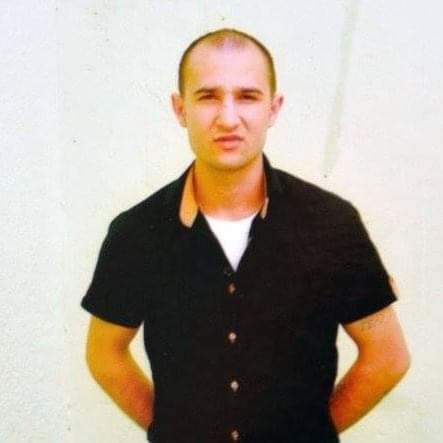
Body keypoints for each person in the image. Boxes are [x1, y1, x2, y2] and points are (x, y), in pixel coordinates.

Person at [81, 28, 410, 443]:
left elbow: (387, 357)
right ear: (180, 109)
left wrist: (311, 434)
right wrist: (170, 431)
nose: (228, 118)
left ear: (274, 108)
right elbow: (104, 354)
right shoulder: (136, 233)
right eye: (208, 96)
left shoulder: (331, 224)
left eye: (248, 97)